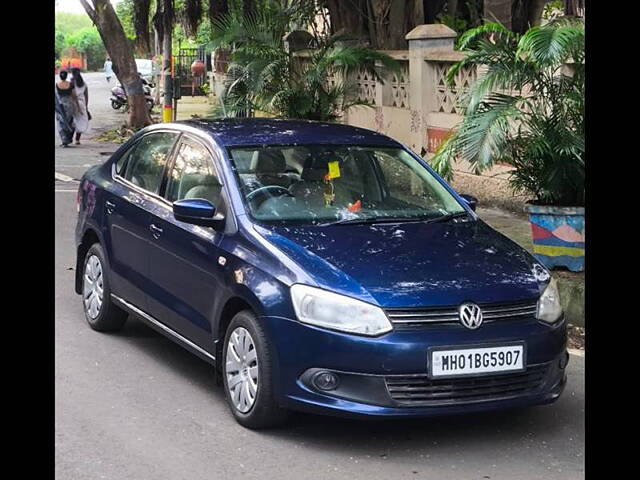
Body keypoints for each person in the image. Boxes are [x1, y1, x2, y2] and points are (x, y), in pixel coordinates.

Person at [54, 70, 76, 147]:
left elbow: (56, 96)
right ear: (67, 76)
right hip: (70, 105)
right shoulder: (70, 84)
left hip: (60, 106)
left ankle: (64, 140)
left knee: (61, 122)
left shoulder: (57, 84)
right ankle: (69, 138)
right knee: (70, 121)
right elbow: (74, 95)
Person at [70, 67, 90, 145]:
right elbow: (86, 96)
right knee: (80, 121)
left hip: (72, 103)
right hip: (82, 104)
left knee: (72, 121)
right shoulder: (83, 83)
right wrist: (86, 106)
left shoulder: (71, 83)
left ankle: (69, 138)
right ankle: (77, 139)